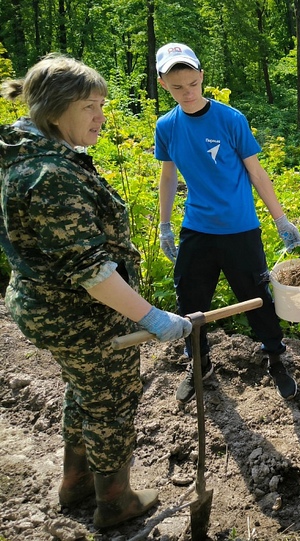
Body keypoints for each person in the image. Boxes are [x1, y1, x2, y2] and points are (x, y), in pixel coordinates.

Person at [0, 54, 192, 529]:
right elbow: (92, 272)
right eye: (90, 107)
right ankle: (115, 500)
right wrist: (153, 317)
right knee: (110, 398)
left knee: (84, 389)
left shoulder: (37, 154)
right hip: (79, 315)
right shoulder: (50, 176)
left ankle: (76, 483)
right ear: (56, 108)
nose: (101, 118)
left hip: (52, 307)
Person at [154, 42, 300, 403]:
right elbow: (169, 177)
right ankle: (199, 363)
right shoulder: (167, 126)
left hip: (240, 229)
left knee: (257, 299)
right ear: (162, 85)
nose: (187, 93)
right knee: (190, 300)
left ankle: (275, 358)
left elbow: (256, 171)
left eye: (192, 84)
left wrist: (281, 220)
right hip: (197, 229)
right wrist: (165, 225)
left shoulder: (231, 119)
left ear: (201, 77)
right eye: (177, 87)